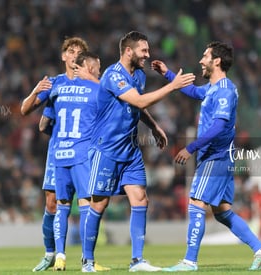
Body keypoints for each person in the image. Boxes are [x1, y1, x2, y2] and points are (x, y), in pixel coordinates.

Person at [151, 41, 261, 271]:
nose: (200, 60)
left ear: (216, 61)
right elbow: (195, 91)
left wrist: (190, 148)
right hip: (220, 157)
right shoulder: (213, 88)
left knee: (196, 203)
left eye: (205, 56)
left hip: (215, 157)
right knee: (222, 212)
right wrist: (167, 74)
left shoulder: (225, 91)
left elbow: (219, 126)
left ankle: (189, 261)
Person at [81, 31, 195, 273]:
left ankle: (137, 260)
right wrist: (173, 86)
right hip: (106, 148)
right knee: (99, 204)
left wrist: (153, 126)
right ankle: (87, 261)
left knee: (140, 198)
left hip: (130, 149)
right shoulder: (113, 75)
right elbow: (139, 101)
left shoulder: (140, 75)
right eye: (144, 50)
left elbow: (137, 106)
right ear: (129, 51)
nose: (148, 54)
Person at [20, 36, 106, 272]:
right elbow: (26, 111)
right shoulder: (54, 83)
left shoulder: (92, 84)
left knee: (83, 201)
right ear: (63, 56)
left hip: (82, 151)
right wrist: (36, 90)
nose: (74, 54)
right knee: (51, 203)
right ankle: (51, 253)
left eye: (79, 51)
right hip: (58, 151)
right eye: (70, 50)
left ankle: (86, 258)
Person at [45, 51, 105, 271]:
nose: (101, 71)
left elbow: (44, 124)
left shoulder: (58, 88)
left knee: (62, 206)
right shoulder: (97, 89)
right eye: (98, 67)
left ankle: (60, 256)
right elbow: (118, 102)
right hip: (82, 155)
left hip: (59, 154)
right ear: (89, 68)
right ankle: (87, 260)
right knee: (87, 205)